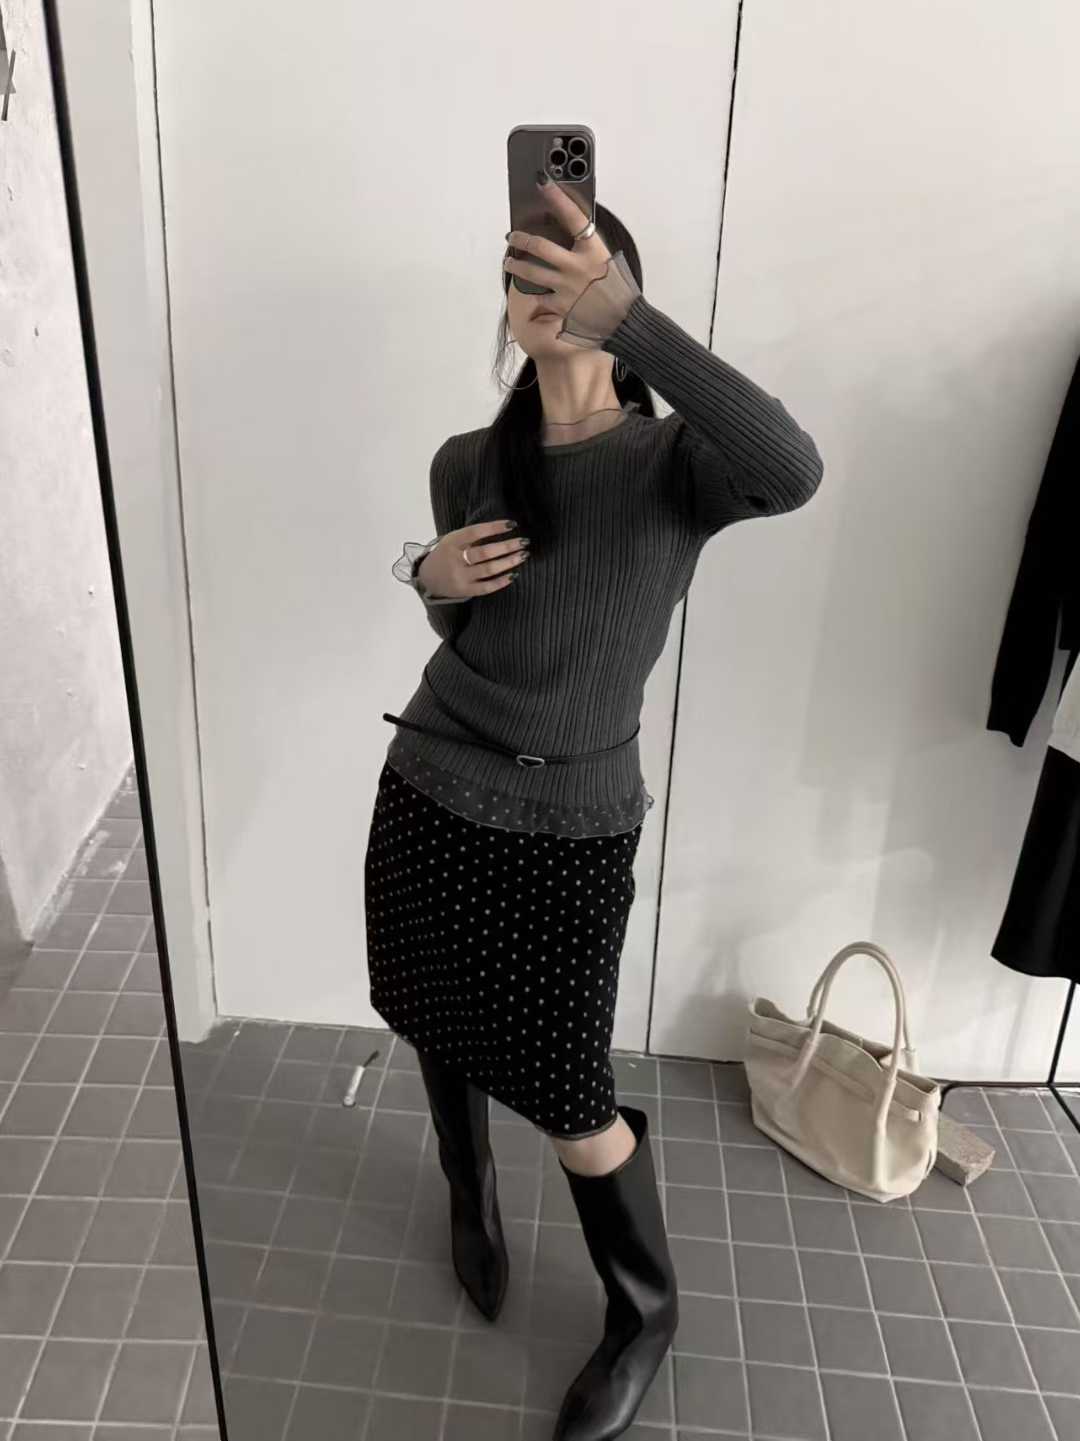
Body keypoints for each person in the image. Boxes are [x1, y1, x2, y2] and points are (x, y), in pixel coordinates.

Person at [364, 172, 824, 1441]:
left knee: (573, 1091)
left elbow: (796, 468)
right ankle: (470, 1190)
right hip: (429, 786)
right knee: (434, 1014)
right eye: (525, 271)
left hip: (572, 824)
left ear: (617, 293)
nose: (544, 288)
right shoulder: (469, 462)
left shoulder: (679, 465)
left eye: (575, 268)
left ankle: (643, 1311)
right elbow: (467, 631)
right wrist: (429, 575)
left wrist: (634, 326)